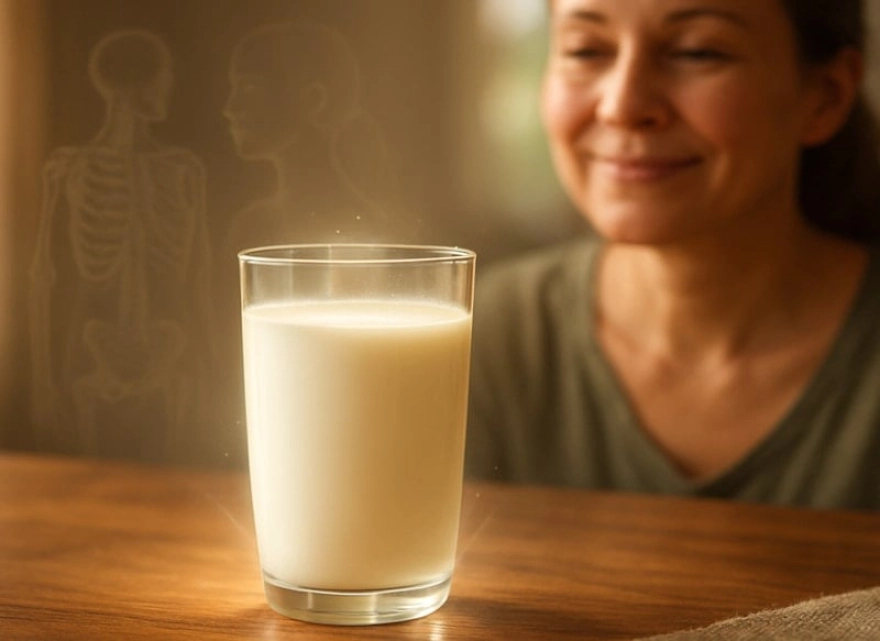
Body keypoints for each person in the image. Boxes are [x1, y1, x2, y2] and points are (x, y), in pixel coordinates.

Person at [465, 0, 880, 509]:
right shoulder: (486, 338)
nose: (622, 104)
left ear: (824, 98)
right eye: (586, 50)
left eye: (696, 52)